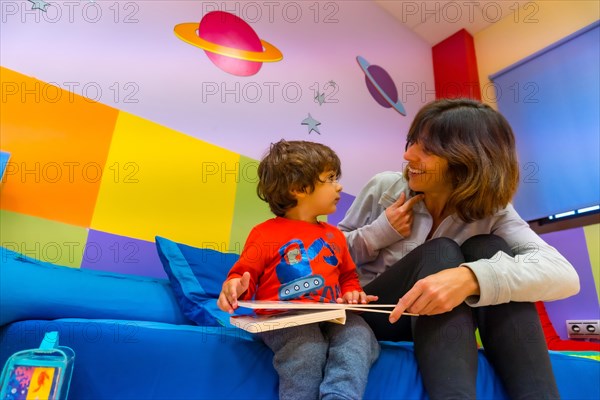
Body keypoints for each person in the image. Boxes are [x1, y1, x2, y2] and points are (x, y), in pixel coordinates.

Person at [338, 98, 580, 400]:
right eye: (412, 142)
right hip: (373, 311)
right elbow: (327, 257)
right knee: (441, 251)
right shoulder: (383, 188)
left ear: (466, 160)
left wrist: (471, 278)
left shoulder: (494, 212)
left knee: (488, 248)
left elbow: (564, 274)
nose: (407, 155)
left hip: (431, 321)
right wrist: (378, 233)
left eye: (425, 149)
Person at [218, 139, 380, 400]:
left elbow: (348, 277)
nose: (339, 186)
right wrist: (234, 285)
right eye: (330, 178)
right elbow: (241, 274)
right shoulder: (265, 233)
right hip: (285, 318)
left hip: (330, 315)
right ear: (299, 188)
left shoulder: (335, 236)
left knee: (359, 334)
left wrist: (352, 293)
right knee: (307, 347)